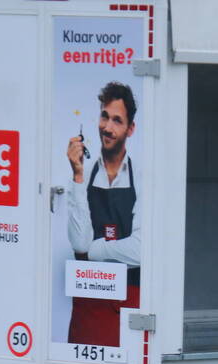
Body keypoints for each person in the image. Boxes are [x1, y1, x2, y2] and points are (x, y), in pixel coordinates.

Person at [66, 81, 141, 347]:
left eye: (117, 120)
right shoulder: (83, 176)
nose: (107, 127)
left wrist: (93, 252)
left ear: (130, 129)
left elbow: (140, 251)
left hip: (128, 305)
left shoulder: (141, 178)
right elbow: (78, 243)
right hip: (88, 308)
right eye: (104, 116)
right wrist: (77, 174)